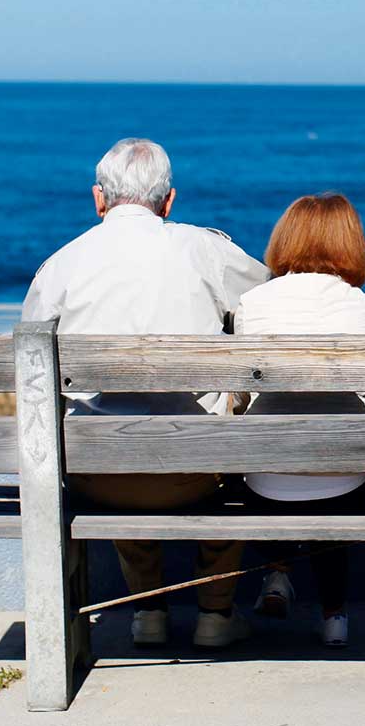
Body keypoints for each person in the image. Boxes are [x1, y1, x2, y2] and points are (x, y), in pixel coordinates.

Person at [21, 137, 268, 651]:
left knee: (110, 423)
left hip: (99, 473)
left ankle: (149, 611)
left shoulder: (61, 265)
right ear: (169, 200)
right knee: (219, 429)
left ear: (98, 198)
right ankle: (215, 614)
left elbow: (29, 371)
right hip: (197, 474)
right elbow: (269, 306)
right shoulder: (207, 250)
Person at [231, 193, 365, 649]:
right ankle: (335, 615)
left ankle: (277, 573)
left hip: (266, 479)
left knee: (270, 456)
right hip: (342, 477)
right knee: (340, 468)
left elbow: (241, 397)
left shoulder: (252, 304)